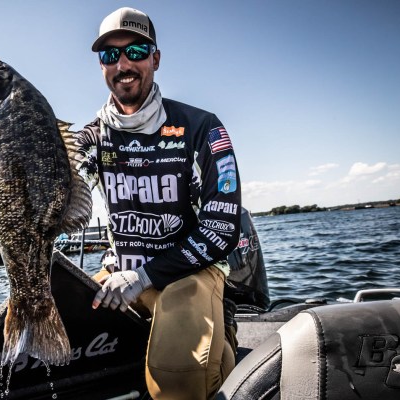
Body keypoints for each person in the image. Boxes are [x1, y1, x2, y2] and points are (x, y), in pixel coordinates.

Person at [76, 7, 241, 399]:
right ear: (102, 66)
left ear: (156, 58)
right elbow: (57, 193)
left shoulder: (202, 127)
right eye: (110, 55)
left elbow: (222, 231)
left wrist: (144, 277)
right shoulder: (90, 139)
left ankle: (225, 340)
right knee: (41, 342)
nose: (123, 64)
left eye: (135, 51)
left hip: (191, 272)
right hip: (118, 276)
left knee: (177, 374)